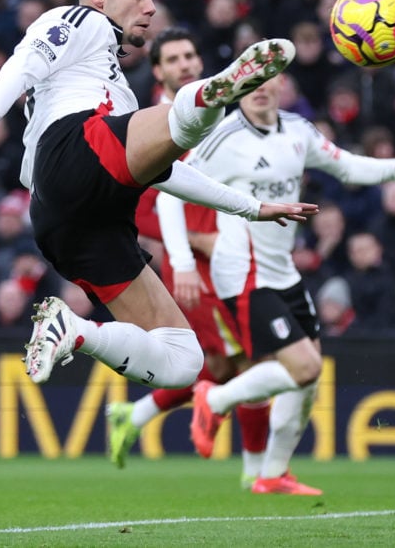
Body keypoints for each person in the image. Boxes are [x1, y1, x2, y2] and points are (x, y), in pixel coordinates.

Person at [0, 0, 310, 393]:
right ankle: (219, 88)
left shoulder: (119, 90)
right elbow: (18, 69)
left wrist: (251, 207)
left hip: (74, 220)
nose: (150, 6)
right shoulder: (80, 20)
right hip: (73, 152)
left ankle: (75, 331)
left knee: (182, 361)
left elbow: (163, 170)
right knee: (179, 120)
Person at [164, 72, 395, 495]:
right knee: (303, 366)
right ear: (238, 90)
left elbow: (344, 165)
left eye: (268, 82)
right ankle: (213, 400)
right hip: (242, 271)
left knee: (309, 377)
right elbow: (168, 190)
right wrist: (180, 262)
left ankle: (272, 473)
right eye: (250, 84)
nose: (260, 90)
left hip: (283, 270)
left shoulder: (297, 130)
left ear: (281, 87)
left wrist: (394, 168)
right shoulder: (224, 135)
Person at [105, 28, 270, 486]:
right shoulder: (150, 124)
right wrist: (188, 251)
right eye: (174, 59)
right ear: (157, 71)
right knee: (252, 365)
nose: (186, 64)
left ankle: (132, 416)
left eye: (191, 54)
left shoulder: (219, 115)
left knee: (218, 367)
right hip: (193, 269)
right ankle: (261, 475)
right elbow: (152, 203)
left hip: (222, 260)